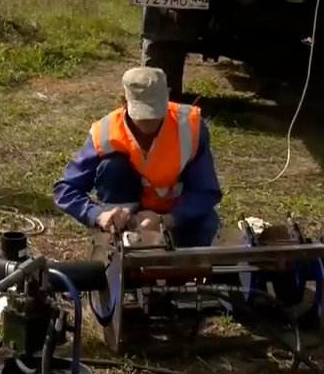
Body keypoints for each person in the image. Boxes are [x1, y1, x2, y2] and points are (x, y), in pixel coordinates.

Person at [52, 66, 222, 247]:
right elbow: (65, 189)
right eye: (143, 113)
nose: (149, 121)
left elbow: (206, 191)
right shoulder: (105, 133)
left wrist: (168, 219)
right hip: (127, 220)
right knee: (113, 167)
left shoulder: (189, 126)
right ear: (124, 102)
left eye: (155, 112)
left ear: (167, 98)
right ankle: (118, 241)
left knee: (209, 234)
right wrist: (98, 215)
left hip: (177, 213)